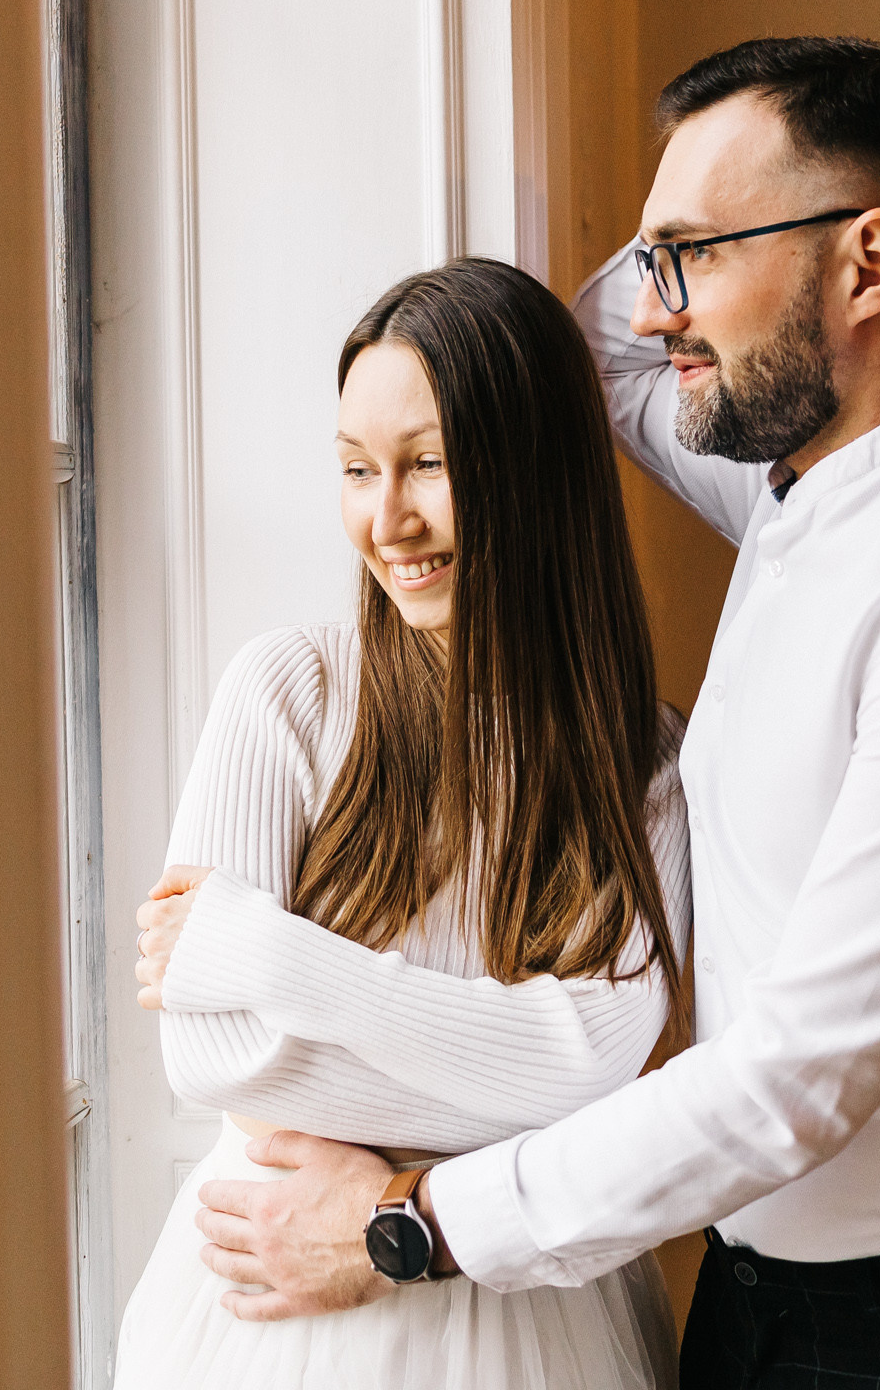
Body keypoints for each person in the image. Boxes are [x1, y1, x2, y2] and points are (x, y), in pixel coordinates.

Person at [186, 37, 880, 1388]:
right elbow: (577, 357)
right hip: (764, 1300)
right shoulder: (786, 482)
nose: (656, 308)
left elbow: (798, 1076)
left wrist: (403, 1228)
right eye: (658, 257)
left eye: (694, 255)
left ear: (871, 267)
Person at [112, 256, 694, 1390]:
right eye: (355, 470)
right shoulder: (286, 690)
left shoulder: (648, 756)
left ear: (535, 473)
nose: (388, 520)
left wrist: (276, 957)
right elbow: (216, 1054)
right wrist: (504, 1099)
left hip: (530, 1323)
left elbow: (592, 1073)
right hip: (259, 1302)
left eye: (428, 464)